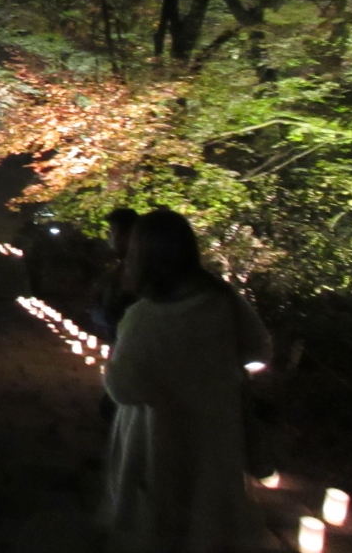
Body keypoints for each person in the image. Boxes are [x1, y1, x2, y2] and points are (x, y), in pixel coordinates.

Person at [100, 210, 273, 553]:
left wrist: (110, 368)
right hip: (217, 430)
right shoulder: (223, 300)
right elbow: (259, 349)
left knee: (160, 518)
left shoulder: (144, 317)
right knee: (209, 516)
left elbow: (125, 388)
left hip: (158, 436)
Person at [91, 207, 139, 342]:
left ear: (126, 236)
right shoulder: (123, 267)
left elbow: (114, 315)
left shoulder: (136, 271)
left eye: (112, 232)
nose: (109, 237)